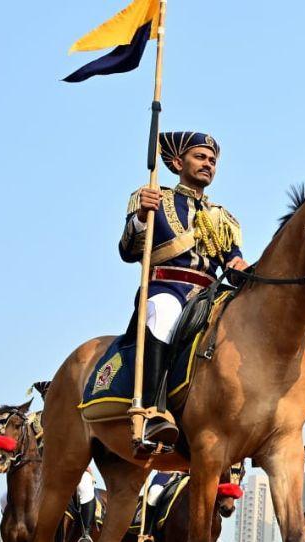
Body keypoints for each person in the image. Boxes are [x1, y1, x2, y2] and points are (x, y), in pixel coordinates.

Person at [119, 131, 248, 451]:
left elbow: (230, 259)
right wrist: (139, 218)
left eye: (212, 161)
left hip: (209, 294)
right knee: (163, 316)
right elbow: (128, 250)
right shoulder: (153, 199)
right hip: (167, 287)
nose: (208, 164)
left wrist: (240, 266)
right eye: (200, 157)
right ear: (178, 163)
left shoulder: (223, 217)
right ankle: (152, 411)